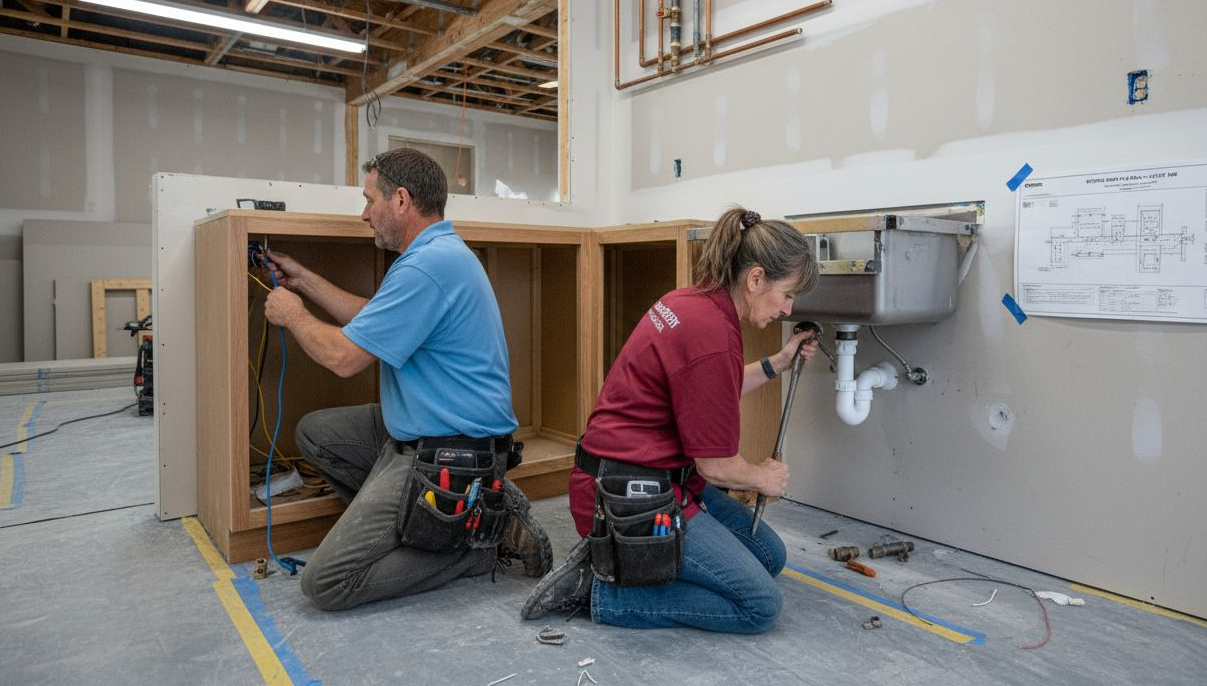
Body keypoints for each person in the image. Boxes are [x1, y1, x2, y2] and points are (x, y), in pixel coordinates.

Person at [262, 147, 552, 611]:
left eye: (369, 200)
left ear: (400, 200)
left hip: (448, 449)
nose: (363, 214)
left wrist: (293, 316)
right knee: (318, 433)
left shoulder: (426, 267)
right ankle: (439, 519)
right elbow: (374, 320)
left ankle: (475, 547)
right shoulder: (439, 253)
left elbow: (344, 358)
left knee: (327, 583)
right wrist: (306, 282)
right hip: (423, 433)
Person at [521, 206, 819, 633]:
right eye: (786, 294)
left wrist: (778, 363)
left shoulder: (691, 303)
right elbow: (716, 467)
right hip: (626, 498)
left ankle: (637, 565)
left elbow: (706, 394)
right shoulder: (713, 336)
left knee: (769, 556)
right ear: (755, 279)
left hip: (636, 478)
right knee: (760, 605)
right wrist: (761, 478)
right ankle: (602, 591)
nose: (788, 309)